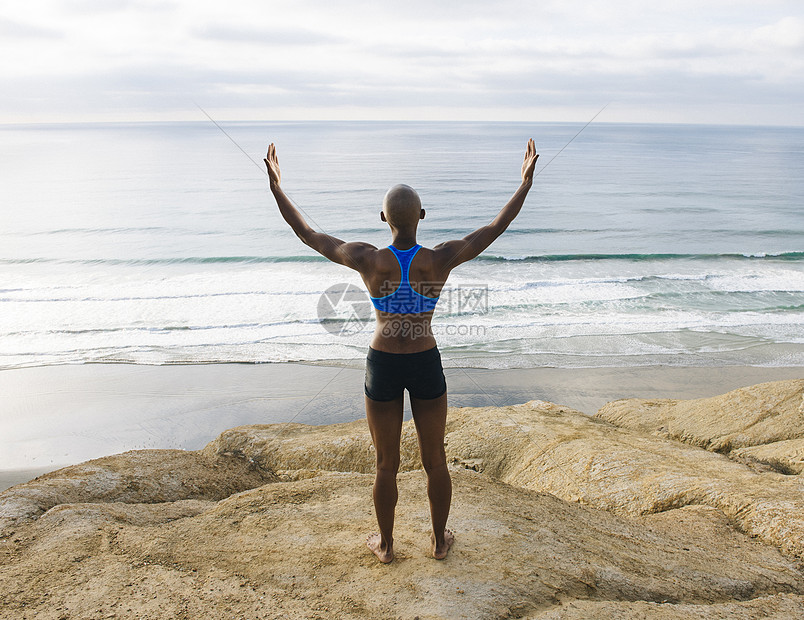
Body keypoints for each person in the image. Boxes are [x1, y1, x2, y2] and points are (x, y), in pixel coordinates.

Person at [265, 139, 538, 563]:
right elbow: (494, 228)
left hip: (383, 363)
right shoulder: (439, 258)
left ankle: (387, 545)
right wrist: (524, 183)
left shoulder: (368, 260)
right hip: (425, 359)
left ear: (382, 218)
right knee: (436, 459)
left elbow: (308, 235)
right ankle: (437, 542)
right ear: (422, 217)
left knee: (385, 464)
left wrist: (278, 188)